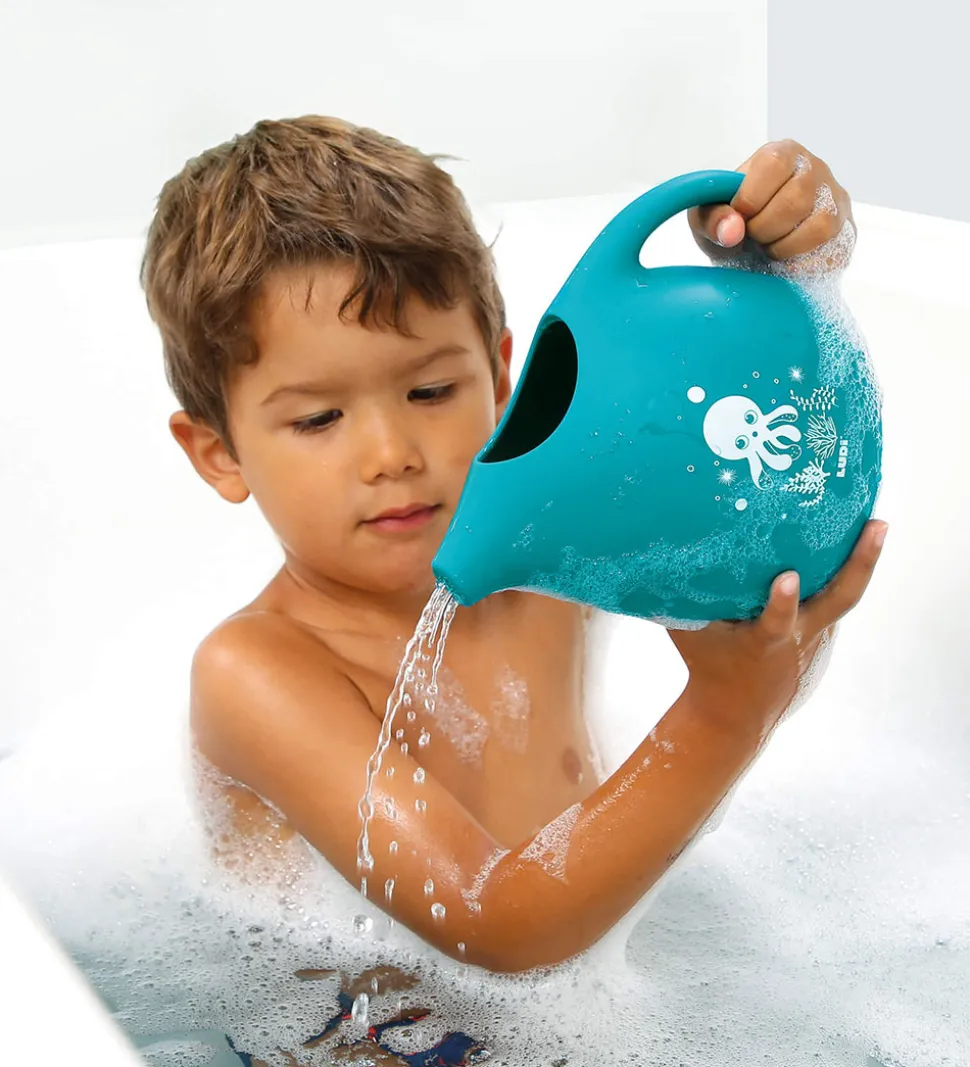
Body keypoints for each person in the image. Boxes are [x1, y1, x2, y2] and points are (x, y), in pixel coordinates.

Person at [142, 115, 886, 1063]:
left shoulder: (550, 550)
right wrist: (725, 715)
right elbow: (494, 918)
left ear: (504, 375)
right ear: (218, 451)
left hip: (571, 980)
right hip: (359, 1029)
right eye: (320, 417)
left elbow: (736, 485)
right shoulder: (256, 671)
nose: (391, 454)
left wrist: (791, 262)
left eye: (430, 391)